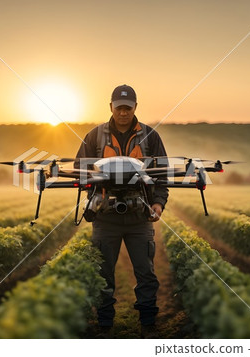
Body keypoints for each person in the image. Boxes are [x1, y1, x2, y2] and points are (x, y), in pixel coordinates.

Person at [75, 84, 169, 335]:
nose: (124, 113)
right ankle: (105, 322)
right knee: (103, 273)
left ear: (135, 107)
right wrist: (94, 191)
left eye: (128, 108)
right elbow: (79, 170)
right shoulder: (94, 136)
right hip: (105, 218)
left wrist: (158, 203)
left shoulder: (151, 136)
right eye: (119, 108)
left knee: (146, 273)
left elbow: (162, 175)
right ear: (111, 108)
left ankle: (148, 322)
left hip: (140, 217)